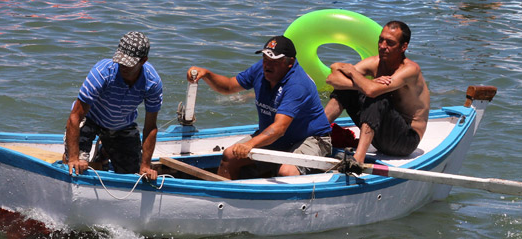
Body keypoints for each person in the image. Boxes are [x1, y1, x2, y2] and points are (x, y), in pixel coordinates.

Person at [187, 36, 332, 180]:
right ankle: (223, 195)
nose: (267, 65)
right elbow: (229, 86)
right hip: (275, 138)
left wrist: (250, 144)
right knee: (230, 156)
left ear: (289, 62)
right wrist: (206, 74)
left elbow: (279, 128)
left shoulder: (297, 85)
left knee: (287, 172)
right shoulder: (260, 69)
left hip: (311, 139)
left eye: (274, 61)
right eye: (265, 59)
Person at [324, 21, 430, 163]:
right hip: (380, 136)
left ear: (403, 47)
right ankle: (316, 133)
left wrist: (353, 73)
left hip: (405, 141)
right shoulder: (375, 63)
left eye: (390, 43)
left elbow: (371, 90)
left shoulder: (410, 70)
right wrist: (363, 81)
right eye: (381, 40)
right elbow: (332, 78)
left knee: (376, 94)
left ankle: (358, 159)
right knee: (347, 90)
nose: (382, 46)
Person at [63, 31, 164, 180]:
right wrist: (73, 158)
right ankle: (81, 154)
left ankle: (104, 151)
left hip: (122, 125)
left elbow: (150, 127)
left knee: (133, 176)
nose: (122, 65)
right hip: (90, 119)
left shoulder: (152, 82)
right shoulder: (102, 72)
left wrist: (146, 166)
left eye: (128, 63)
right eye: (120, 60)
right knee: (76, 165)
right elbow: (76, 116)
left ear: (143, 61)